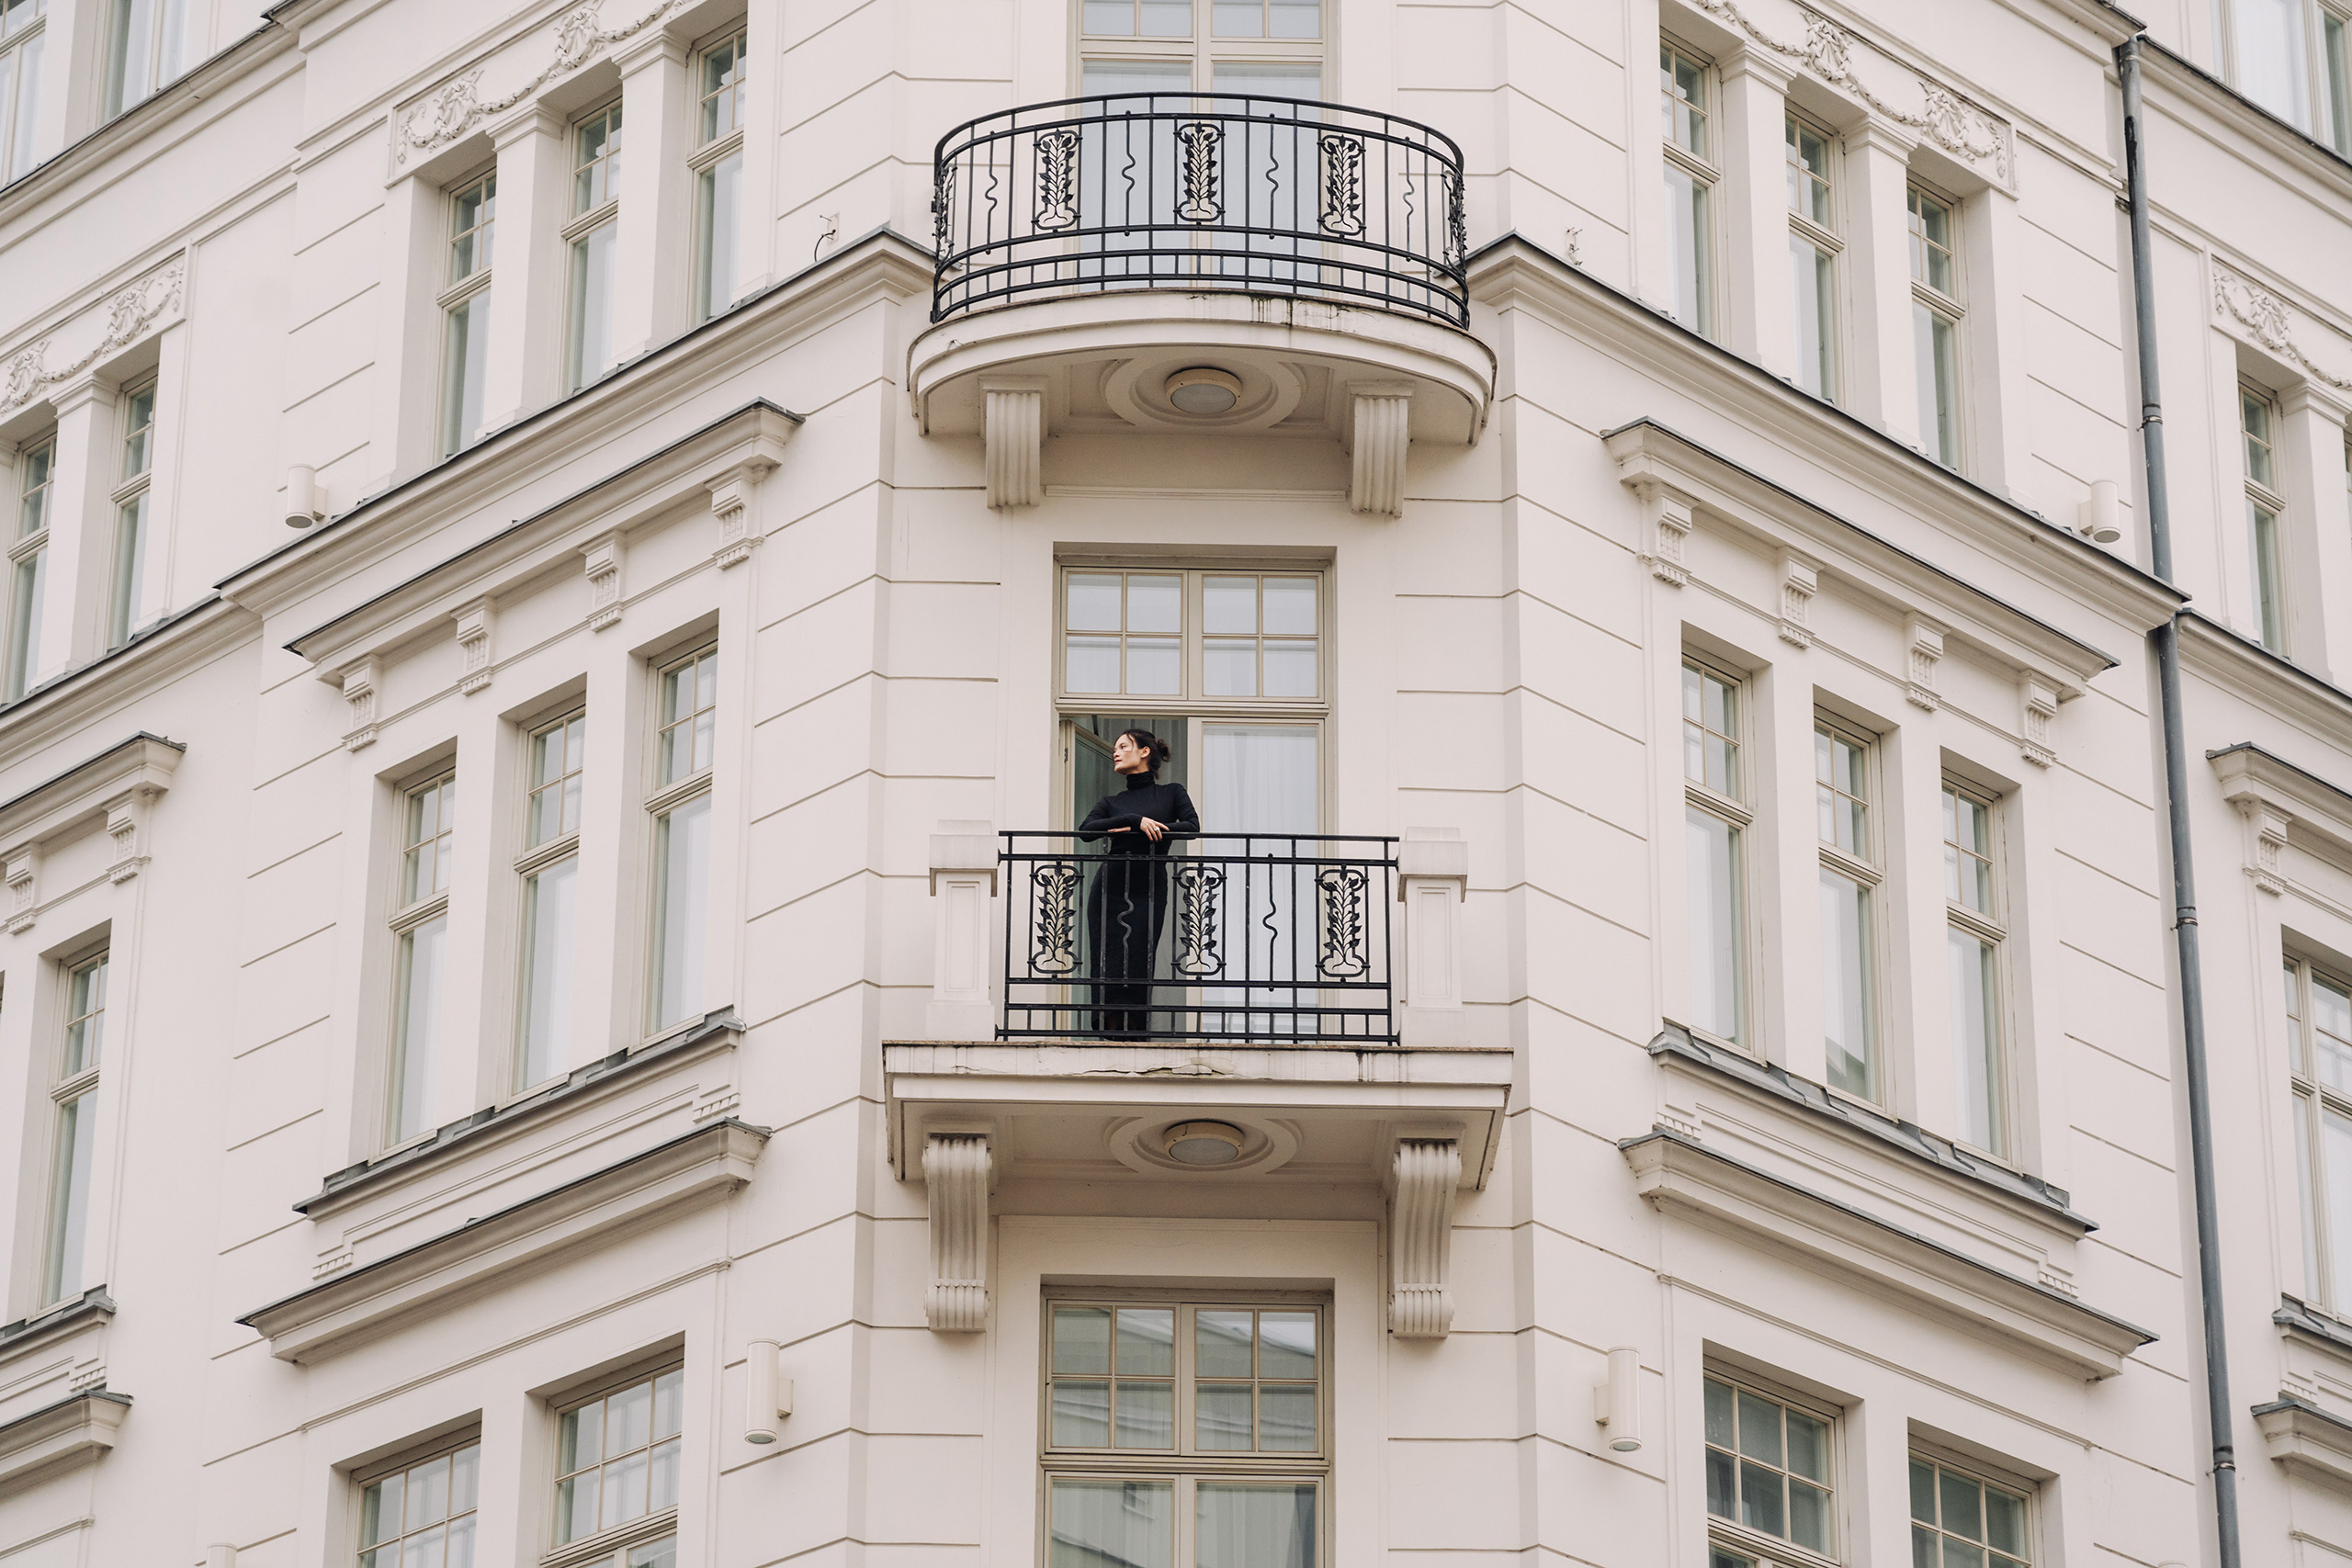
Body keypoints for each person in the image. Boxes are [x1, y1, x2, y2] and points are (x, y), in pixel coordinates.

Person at [1076, 728, 1199, 1038]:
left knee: (1140, 953)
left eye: (1123, 746)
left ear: (1144, 751)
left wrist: (1150, 829)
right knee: (1107, 955)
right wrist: (1132, 820)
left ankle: (1134, 1029)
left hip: (1148, 884)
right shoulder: (1112, 801)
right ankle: (1108, 1029)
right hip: (1110, 886)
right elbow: (1086, 831)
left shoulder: (1171, 792)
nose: (1115, 752)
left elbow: (1191, 827)